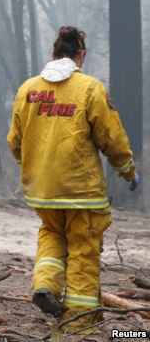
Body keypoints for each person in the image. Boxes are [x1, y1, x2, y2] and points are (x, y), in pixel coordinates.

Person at [7, 26, 140, 333]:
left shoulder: (28, 90)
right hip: (82, 192)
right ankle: (80, 323)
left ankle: (45, 286)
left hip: (43, 191)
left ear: (53, 53)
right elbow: (112, 140)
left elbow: (15, 142)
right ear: (81, 55)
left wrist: (35, 167)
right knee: (83, 250)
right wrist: (128, 171)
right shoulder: (91, 89)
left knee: (52, 235)